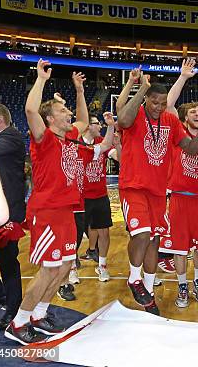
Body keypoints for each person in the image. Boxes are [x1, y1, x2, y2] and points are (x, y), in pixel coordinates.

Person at [6, 59, 88, 344]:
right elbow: (31, 109)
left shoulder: (69, 137)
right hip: (47, 211)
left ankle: (38, 315)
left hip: (66, 211)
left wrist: (78, 92)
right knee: (50, 268)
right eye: (62, 111)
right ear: (50, 119)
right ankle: (17, 322)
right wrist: (40, 79)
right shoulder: (43, 139)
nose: (68, 115)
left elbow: (84, 122)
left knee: (65, 266)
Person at [116, 61, 198, 316]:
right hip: (133, 186)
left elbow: (191, 148)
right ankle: (134, 278)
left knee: (154, 241)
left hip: (158, 191)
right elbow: (122, 118)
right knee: (142, 234)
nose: (159, 107)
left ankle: (148, 293)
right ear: (146, 100)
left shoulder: (170, 120)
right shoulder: (135, 116)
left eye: (162, 103)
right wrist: (141, 89)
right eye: (154, 102)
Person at [160, 97, 198, 308]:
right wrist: (184, 76)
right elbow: (170, 103)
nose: (197, 114)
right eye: (193, 112)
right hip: (180, 198)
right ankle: (182, 286)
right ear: (184, 117)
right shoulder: (177, 136)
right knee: (180, 248)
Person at [0, 103, 26, 332]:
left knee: (8, 262)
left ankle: (14, 310)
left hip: (9, 215)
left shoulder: (11, 136)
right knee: (5, 261)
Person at [79, 112, 116, 282]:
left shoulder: (101, 142)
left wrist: (112, 129)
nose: (99, 126)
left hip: (100, 195)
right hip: (81, 197)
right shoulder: (76, 144)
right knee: (76, 235)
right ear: (88, 126)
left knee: (104, 232)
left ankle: (102, 266)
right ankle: (71, 267)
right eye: (97, 123)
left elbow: (116, 154)